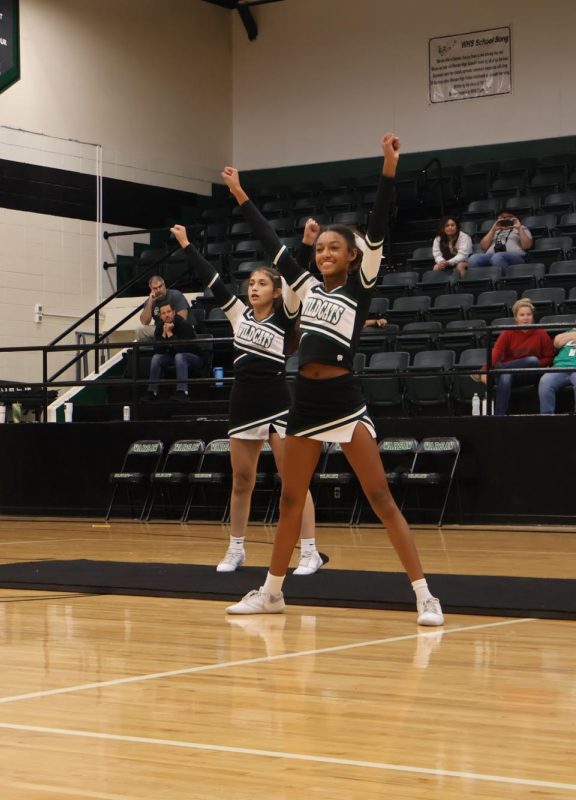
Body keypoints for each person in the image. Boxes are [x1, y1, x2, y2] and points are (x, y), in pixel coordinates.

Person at [220, 133, 444, 627]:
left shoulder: (362, 287)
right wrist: (240, 194)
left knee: (381, 498)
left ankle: (425, 595)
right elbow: (270, 241)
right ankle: (273, 592)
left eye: (333, 248)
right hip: (305, 400)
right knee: (290, 499)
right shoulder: (301, 287)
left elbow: (379, 221)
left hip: (344, 398)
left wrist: (389, 166)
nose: (323, 254)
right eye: (319, 248)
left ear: (351, 256)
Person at [171, 224, 323, 575]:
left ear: (276, 290)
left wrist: (305, 243)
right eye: (251, 283)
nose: (254, 288)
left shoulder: (286, 316)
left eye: (262, 283)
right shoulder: (238, 315)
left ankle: (310, 550)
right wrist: (186, 244)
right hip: (243, 401)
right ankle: (236, 548)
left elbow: (291, 273)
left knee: (293, 479)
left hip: (277, 399)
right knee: (242, 480)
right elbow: (211, 279)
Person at [481, 298, 552, 416]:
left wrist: (536, 364)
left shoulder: (541, 333)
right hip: (512, 374)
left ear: (532, 316)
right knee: (506, 375)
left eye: (528, 314)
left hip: (531, 374)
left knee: (532, 360)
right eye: (522, 315)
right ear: (516, 318)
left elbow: (549, 357)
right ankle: (499, 417)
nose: (525, 318)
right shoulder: (508, 333)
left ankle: (499, 369)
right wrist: (485, 370)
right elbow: (496, 352)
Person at [146, 298, 203, 400]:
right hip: (173, 357)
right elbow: (157, 351)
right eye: (163, 313)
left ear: (174, 312)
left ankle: (182, 392)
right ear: (160, 316)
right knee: (156, 358)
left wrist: (170, 334)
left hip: (194, 358)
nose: (167, 315)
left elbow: (182, 349)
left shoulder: (183, 324)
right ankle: (152, 392)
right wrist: (163, 336)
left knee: (179, 356)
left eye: (168, 312)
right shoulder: (160, 327)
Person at [469, 210, 533, 274]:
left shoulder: (521, 228)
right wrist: (493, 230)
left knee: (497, 257)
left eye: (508, 217)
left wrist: (519, 228)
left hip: (516, 256)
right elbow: (483, 247)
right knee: (473, 259)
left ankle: (507, 279)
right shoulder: (495, 230)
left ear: (514, 218)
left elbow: (527, 246)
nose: (505, 219)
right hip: (492, 256)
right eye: (502, 217)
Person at [137, 274, 190, 340]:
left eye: (160, 286)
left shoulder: (175, 295)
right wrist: (150, 302)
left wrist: (168, 327)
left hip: (176, 327)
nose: (159, 290)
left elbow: (183, 318)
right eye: (155, 288)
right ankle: (146, 349)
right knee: (140, 330)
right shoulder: (150, 301)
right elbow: (144, 322)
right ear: (151, 289)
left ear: (164, 284)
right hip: (160, 329)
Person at [539, 324, 576, 414]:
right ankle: (547, 420)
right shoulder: (563, 334)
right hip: (560, 366)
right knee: (545, 381)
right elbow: (557, 343)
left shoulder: (565, 336)